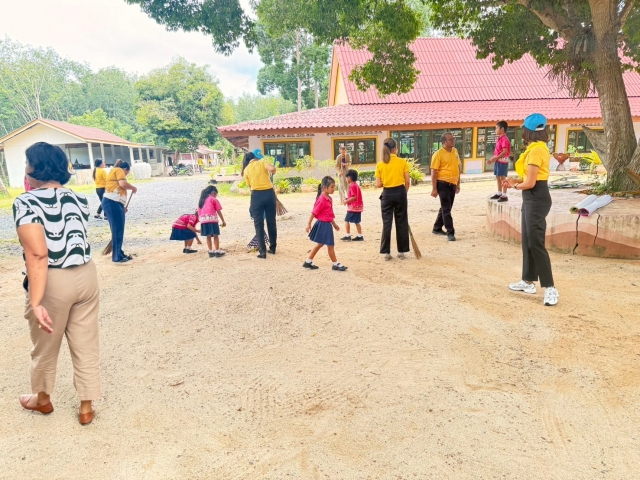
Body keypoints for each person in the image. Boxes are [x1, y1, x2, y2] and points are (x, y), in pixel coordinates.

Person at [13, 142, 100, 426]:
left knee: (45, 344)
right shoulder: (79, 198)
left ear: (34, 167)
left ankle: (42, 399)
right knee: (86, 341)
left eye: (27, 163)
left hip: (52, 279)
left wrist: (36, 301)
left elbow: (38, 254)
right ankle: (86, 407)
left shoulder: (26, 202)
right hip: (86, 273)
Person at [503, 113, 559, 306]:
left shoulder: (536, 151)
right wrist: (516, 180)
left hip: (537, 197)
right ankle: (528, 281)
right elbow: (528, 178)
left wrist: (515, 185)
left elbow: (531, 183)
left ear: (528, 131)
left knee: (536, 243)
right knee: (528, 240)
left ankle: (550, 288)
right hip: (531, 197)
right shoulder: (536, 148)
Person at [375, 138, 410, 260]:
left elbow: (378, 184)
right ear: (395, 149)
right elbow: (407, 182)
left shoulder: (380, 164)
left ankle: (386, 253)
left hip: (387, 194)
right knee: (401, 222)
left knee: (387, 223)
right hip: (400, 193)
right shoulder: (402, 162)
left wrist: (386, 181)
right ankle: (401, 251)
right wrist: (403, 194)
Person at [303, 176, 348, 271]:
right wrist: (308, 224)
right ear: (324, 188)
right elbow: (314, 212)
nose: (333, 189)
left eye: (334, 187)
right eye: (332, 187)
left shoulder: (329, 198)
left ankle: (308, 261)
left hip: (326, 224)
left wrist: (334, 224)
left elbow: (329, 214)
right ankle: (335, 264)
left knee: (320, 244)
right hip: (323, 225)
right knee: (330, 245)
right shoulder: (322, 199)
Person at [243, 149, 277, 259]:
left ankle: (262, 252)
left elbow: (250, 187)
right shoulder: (262, 162)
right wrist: (272, 169)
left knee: (258, 224)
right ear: (255, 157)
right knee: (271, 222)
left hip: (256, 196)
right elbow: (272, 169)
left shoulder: (246, 169)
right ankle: (273, 248)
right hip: (269, 194)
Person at [102, 161, 137, 263]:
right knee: (117, 230)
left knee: (118, 230)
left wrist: (122, 206)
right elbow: (123, 184)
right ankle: (117, 256)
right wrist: (133, 188)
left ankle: (119, 253)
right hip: (112, 202)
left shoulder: (114, 171)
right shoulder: (119, 170)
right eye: (127, 173)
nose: (126, 175)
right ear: (125, 169)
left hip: (113, 203)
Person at [431, 132, 461, 242]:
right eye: (450, 140)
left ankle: (437, 227)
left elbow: (457, 168)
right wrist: (434, 188)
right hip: (442, 184)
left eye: (453, 139)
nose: (453, 141)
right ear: (444, 142)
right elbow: (434, 172)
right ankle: (450, 232)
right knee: (446, 209)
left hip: (453, 184)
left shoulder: (455, 151)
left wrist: (458, 183)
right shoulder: (438, 154)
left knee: (446, 207)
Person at [198, 185, 226, 258]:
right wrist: (223, 221)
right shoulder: (213, 199)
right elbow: (218, 211)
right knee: (215, 235)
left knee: (208, 236)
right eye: (216, 195)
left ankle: (210, 251)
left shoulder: (201, 200)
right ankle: (217, 251)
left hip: (203, 220)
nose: (216, 196)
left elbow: (199, 212)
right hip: (212, 219)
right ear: (213, 193)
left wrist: (201, 221)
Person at [487, 121, 511, 202]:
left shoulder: (504, 139)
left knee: (503, 177)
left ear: (502, 129)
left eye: (496, 128)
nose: (495, 130)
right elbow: (497, 151)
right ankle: (499, 193)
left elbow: (504, 151)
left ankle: (504, 195)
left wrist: (496, 158)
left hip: (503, 162)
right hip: (498, 161)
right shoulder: (499, 139)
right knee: (498, 177)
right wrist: (492, 159)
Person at [341, 169, 364, 241]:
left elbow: (354, 197)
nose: (346, 179)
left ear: (349, 178)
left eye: (346, 177)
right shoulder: (356, 185)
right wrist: (347, 199)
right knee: (357, 222)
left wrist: (346, 201)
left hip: (353, 207)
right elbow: (354, 196)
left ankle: (348, 235)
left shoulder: (352, 186)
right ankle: (360, 236)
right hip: (358, 207)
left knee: (346, 220)